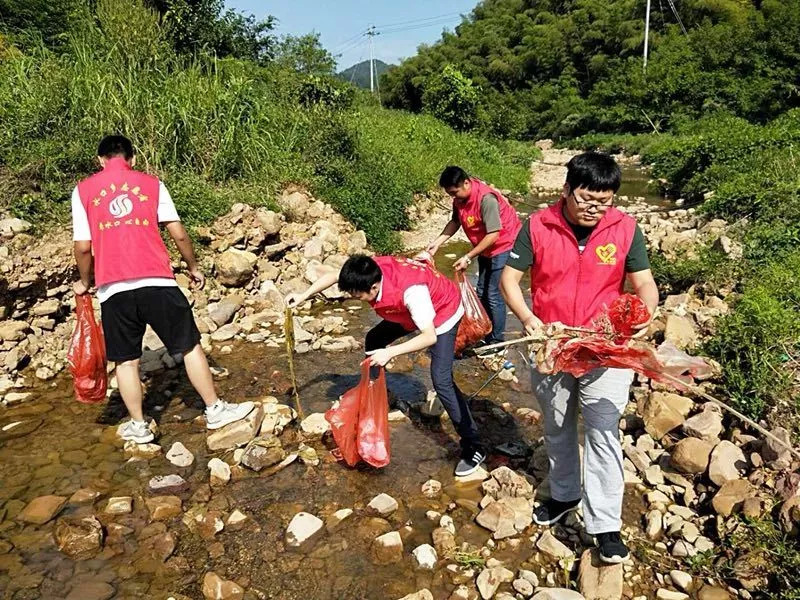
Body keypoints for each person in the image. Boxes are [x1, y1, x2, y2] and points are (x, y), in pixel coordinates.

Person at [500, 152, 659, 564]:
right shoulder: (537, 225)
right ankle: (565, 494)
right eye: (586, 198)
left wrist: (647, 313)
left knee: (604, 431)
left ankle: (605, 524)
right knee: (557, 426)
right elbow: (509, 279)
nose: (594, 208)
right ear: (566, 190)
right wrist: (529, 319)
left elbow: (644, 283)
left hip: (604, 348)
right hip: (552, 345)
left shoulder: (625, 229)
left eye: (603, 202)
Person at [71, 135, 254, 444]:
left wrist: (86, 282)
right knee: (189, 346)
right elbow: (178, 233)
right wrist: (193, 267)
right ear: (132, 158)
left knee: (127, 361)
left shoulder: (83, 191)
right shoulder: (152, 184)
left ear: (99, 160)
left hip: (113, 288)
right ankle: (215, 410)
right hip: (157, 280)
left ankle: (139, 427)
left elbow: (83, 247)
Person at [285, 254, 486, 476]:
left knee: (441, 380)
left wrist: (390, 353)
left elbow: (429, 337)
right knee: (374, 340)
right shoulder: (368, 268)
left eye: (357, 295)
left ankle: (473, 446)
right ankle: (374, 398)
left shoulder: (412, 292)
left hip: (442, 311)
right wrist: (303, 297)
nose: (355, 298)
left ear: (373, 287)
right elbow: (334, 276)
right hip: (407, 313)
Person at [421, 166, 522, 364]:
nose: (453, 196)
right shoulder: (459, 199)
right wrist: (437, 242)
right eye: (450, 193)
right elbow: (455, 222)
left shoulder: (486, 199)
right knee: (482, 290)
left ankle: (497, 343)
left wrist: (468, 256)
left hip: (504, 244)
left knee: (493, 293)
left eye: (454, 192)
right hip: (484, 246)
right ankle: (484, 332)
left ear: (466, 183)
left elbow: (494, 234)